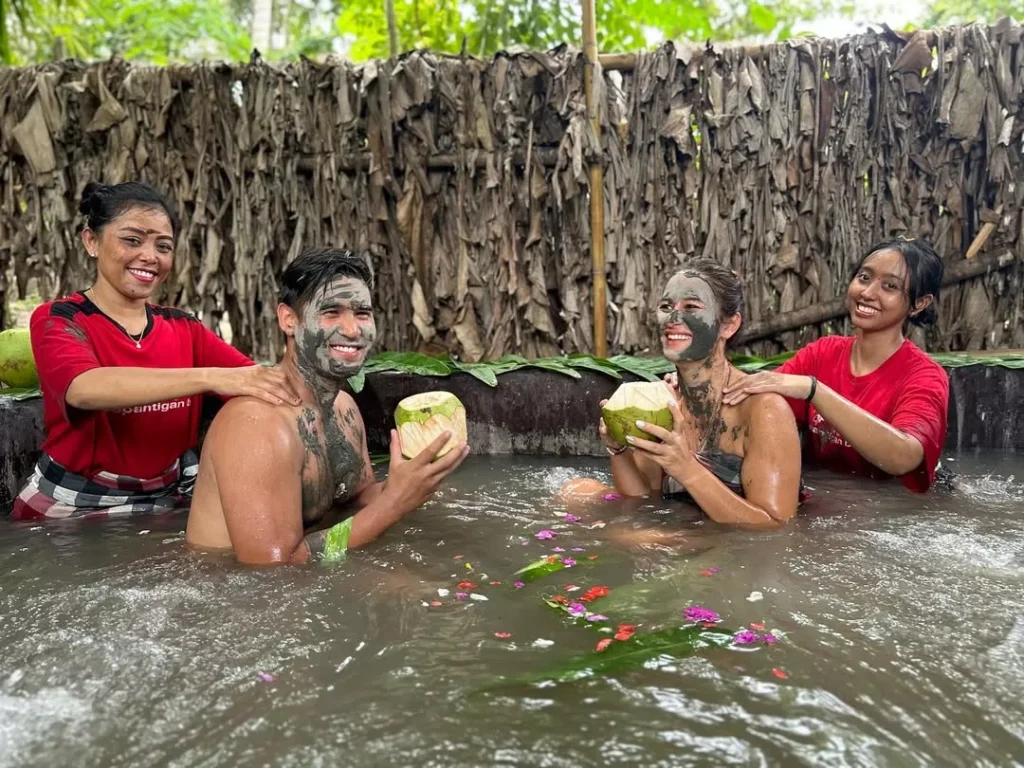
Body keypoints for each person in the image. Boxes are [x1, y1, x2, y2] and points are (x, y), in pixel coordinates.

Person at [11, 181, 298, 521]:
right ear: (91, 241)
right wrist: (211, 376)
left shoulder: (184, 327)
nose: (150, 257)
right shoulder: (59, 318)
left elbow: (261, 385)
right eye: (131, 240)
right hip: (74, 503)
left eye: (164, 246)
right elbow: (84, 388)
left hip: (172, 494)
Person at [185, 246, 470, 565]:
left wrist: (413, 483)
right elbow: (271, 568)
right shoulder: (256, 424)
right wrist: (393, 503)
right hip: (232, 592)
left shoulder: (343, 407)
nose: (352, 330)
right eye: (331, 312)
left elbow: (357, 500)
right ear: (289, 319)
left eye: (362, 313)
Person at [562, 259, 802, 527]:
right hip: (690, 531)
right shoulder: (660, 400)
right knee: (575, 491)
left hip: (739, 551)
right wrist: (618, 450)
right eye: (666, 307)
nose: (672, 319)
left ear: (728, 326)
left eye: (691, 307)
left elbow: (776, 526)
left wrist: (686, 469)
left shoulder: (764, 410)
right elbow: (644, 500)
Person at [720, 238, 949, 493]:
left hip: (895, 515)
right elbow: (755, 398)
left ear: (919, 303)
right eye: (864, 277)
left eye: (890, 286)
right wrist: (693, 381)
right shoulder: (823, 353)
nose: (868, 293)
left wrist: (815, 391)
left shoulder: (925, 376)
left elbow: (905, 457)